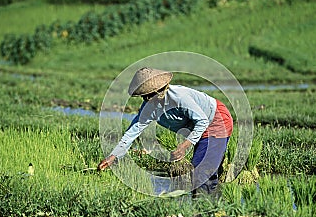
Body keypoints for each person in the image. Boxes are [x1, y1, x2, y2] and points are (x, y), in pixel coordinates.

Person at [98, 67, 233, 195]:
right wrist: (113, 156)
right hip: (197, 128)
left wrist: (184, 146)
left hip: (216, 120)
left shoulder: (180, 97)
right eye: (144, 97)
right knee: (201, 167)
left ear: (160, 91)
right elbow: (133, 131)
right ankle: (202, 204)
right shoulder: (148, 106)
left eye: (150, 96)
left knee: (201, 171)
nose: (147, 100)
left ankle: (208, 211)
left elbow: (202, 121)